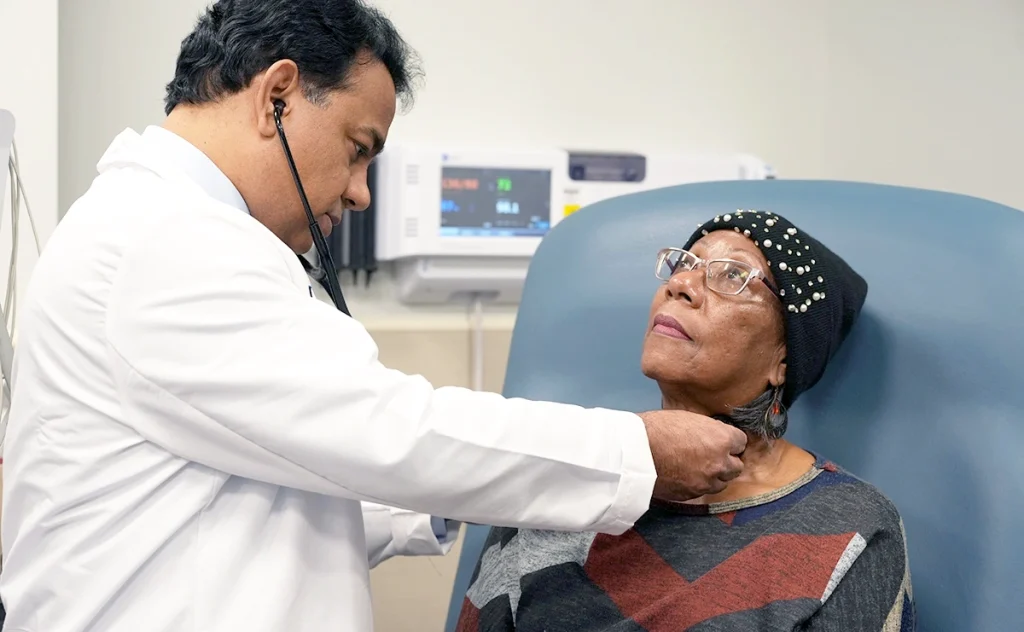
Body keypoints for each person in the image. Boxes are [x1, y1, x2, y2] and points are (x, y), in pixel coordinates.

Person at [0, 2, 750, 631]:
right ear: (277, 97)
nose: (360, 193)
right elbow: (392, 432)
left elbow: (252, 492)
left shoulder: (168, 232)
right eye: (359, 151)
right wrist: (637, 452)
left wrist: (433, 510)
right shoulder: (165, 243)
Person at [455, 211, 916, 631]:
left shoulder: (849, 527)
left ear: (784, 358)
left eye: (733, 275)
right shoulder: (570, 470)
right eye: (685, 264)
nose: (682, 285)